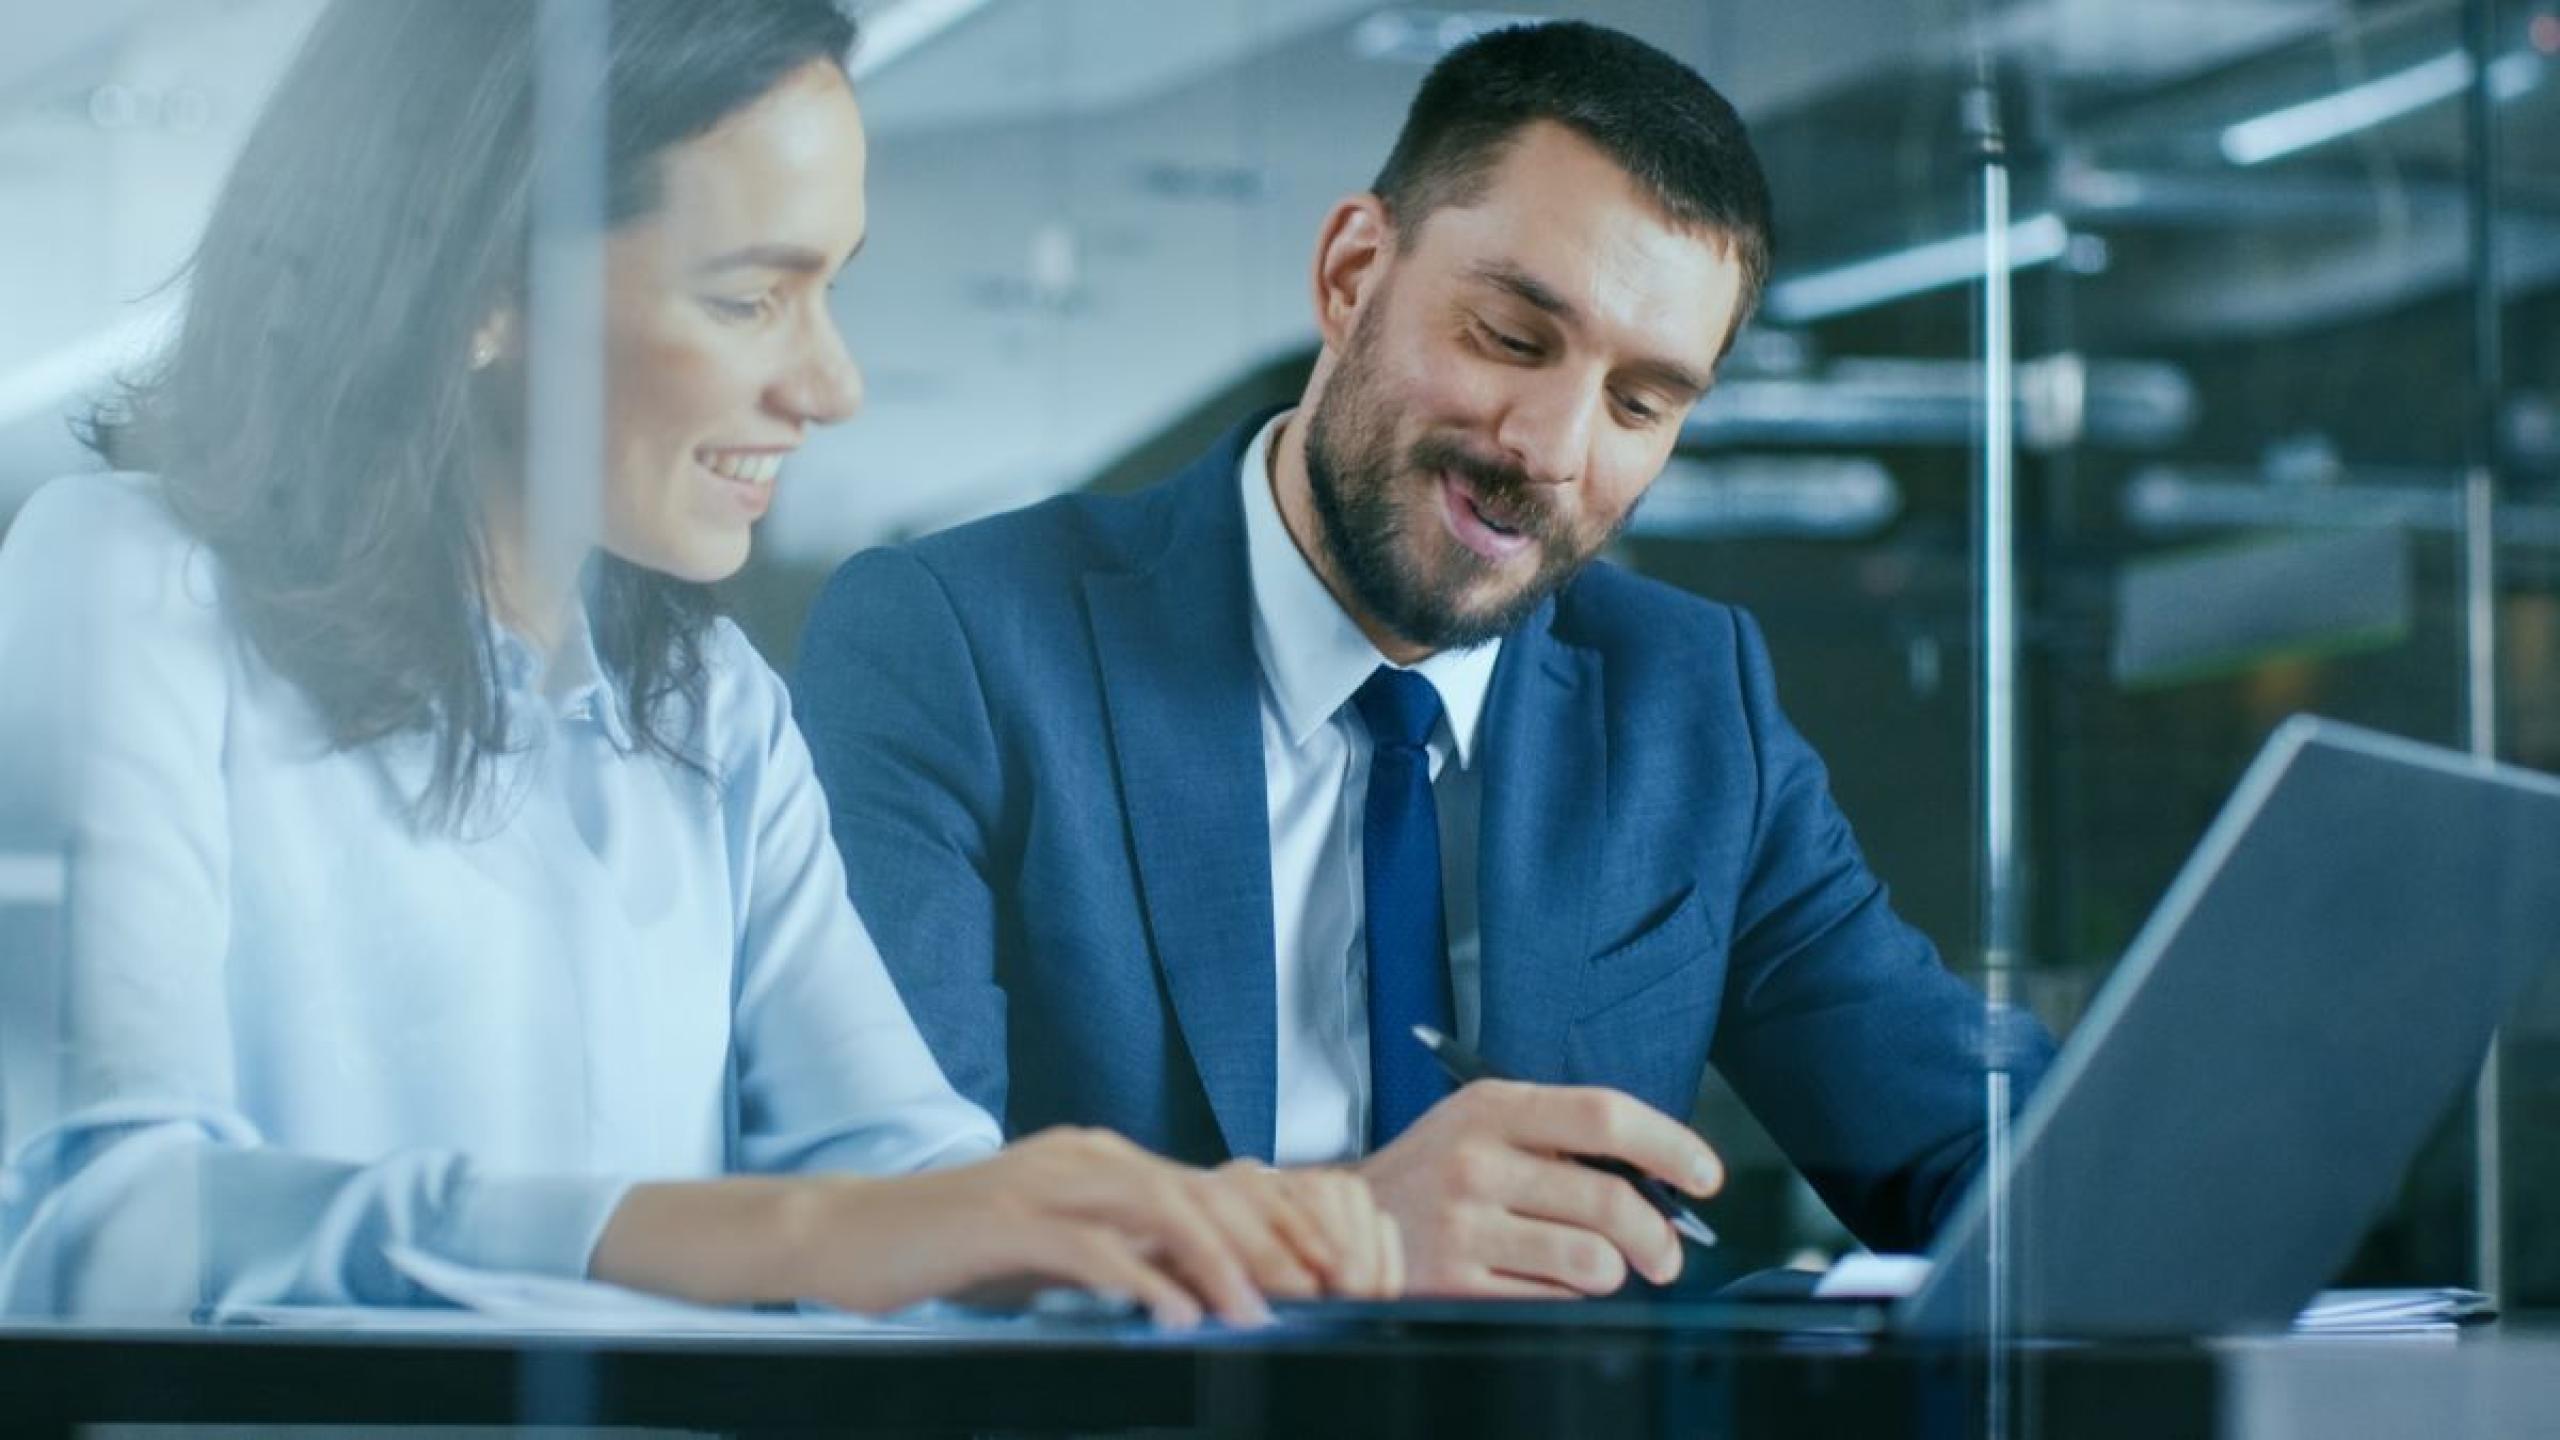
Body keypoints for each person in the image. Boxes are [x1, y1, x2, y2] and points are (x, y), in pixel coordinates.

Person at [0, 0, 1398, 1327]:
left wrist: (1293, 1227)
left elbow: (908, 1191)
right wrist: (777, 1236)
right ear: (479, 286)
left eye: (830, 289)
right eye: (749, 299)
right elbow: (95, 1222)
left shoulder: (715, 711)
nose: (832, 386)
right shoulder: (129, 587)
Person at [793, 20, 2054, 1298]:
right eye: (1511, 337)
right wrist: (1344, 1236)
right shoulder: (956, 642)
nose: (1551, 448)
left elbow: (1998, 1152)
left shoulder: (1688, 700)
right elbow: (883, 1238)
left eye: (1639, 404)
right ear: (1350, 276)